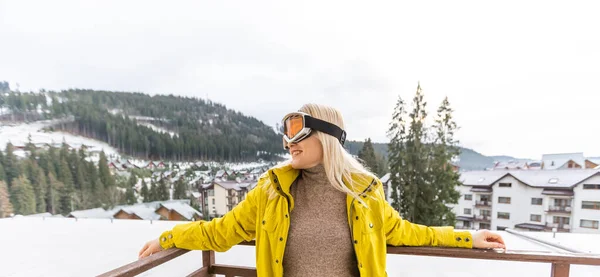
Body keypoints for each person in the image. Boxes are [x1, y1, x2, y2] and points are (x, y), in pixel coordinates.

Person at [139, 103, 506, 276]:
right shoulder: (271, 191)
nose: (288, 144)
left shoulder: (364, 192)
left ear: (327, 138)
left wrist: (468, 238)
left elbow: (407, 232)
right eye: (285, 136)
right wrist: (169, 238)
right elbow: (221, 232)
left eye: (298, 134)